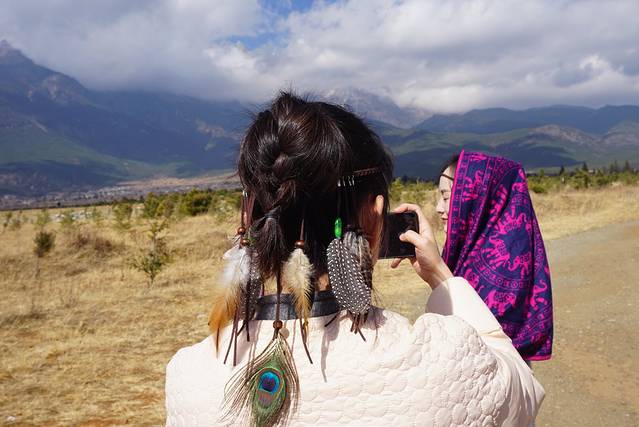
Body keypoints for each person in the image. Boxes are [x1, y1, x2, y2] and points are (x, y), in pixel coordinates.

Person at [165, 93, 544, 426]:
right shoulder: (439, 362)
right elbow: (520, 390)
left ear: (251, 219)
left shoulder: (186, 378)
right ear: (374, 216)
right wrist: (441, 277)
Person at [436, 151, 553, 362]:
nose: (438, 208)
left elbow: (473, 340)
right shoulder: (470, 250)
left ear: (476, 197)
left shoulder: (507, 267)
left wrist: (435, 272)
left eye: (445, 197)